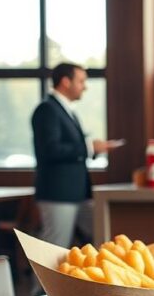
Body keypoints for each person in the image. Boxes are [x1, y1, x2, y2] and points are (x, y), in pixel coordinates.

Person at [32, 63, 123, 248]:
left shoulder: (66, 111)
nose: (85, 86)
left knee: (105, 236)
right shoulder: (47, 109)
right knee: (53, 248)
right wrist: (89, 147)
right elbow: (50, 149)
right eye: (81, 81)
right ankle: (41, 279)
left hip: (79, 193)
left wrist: (93, 149)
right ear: (66, 82)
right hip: (58, 193)